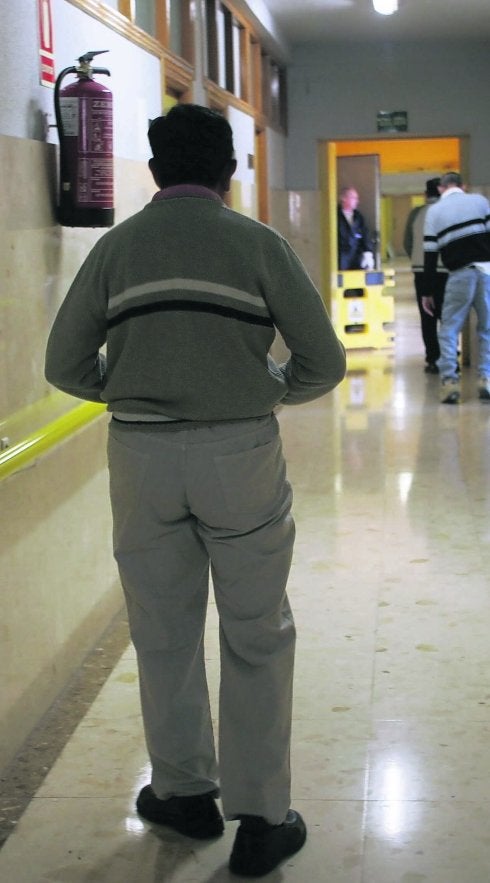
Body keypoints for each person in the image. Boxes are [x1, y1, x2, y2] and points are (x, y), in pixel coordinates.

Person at [45, 104, 346, 877]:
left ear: (153, 171)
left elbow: (65, 365)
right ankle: (262, 820)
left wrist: (129, 386)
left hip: (141, 454)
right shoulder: (257, 244)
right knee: (255, 626)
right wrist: (270, 388)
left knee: (162, 627)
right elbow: (323, 359)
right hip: (238, 451)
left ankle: (183, 792)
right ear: (230, 172)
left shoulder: (118, 247)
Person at [423, 171, 490, 404]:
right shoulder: (480, 202)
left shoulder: (434, 212)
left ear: (441, 189)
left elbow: (430, 254)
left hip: (459, 274)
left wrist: (427, 291)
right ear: (464, 185)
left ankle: (450, 382)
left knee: (449, 329)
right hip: (486, 271)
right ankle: (487, 379)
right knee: (488, 328)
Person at [403, 177, 448, 373]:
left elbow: (408, 242)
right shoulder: (448, 211)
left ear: (426, 194)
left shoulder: (416, 213)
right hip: (445, 270)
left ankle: (432, 358)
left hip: (421, 271)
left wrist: (416, 258)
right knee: (447, 315)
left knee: (427, 316)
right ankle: (448, 355)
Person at [337, 186, 375, 270]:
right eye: (354, 198)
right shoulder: (335, 216)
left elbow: (365, 235)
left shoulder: (358, 217)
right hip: (340, 261)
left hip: (356, 261)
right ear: (344, 198)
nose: (357, 201)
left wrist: (368, 253)